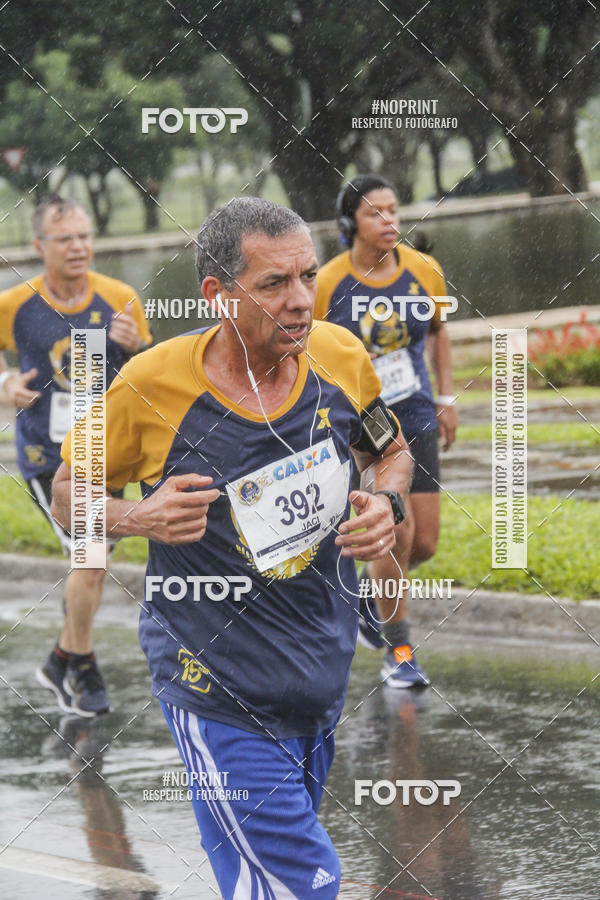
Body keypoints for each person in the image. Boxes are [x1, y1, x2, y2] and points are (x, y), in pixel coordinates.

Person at [52, 197, 413, 899]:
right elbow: (70, 493)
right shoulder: (151, 383)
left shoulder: (339, 356)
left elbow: (390, 449)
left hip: (317, 673)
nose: (302, 300)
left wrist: (387, 502)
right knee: (304, 885)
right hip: (214, 684)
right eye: (274, 284)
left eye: (308, 276)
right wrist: (139, 516)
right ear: (217, 296)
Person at [0, 194, 152, 717]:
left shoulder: (121, 298)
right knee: (91, 558)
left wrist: (133, 349)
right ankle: (82, 666)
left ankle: (60, 659)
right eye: (66, 238)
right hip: (49, 457)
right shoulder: (15, 304)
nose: (79, 247)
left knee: (91, 562)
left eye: (86, 236)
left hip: (104, 452)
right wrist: (4, 383)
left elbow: (151, 374)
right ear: (39, 246)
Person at [314, 174, 458, 688]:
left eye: (394, 209)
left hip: (415, 415)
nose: (390, 220)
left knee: (423, 543)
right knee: (394, 532)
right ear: (351, 221)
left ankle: (367, 603)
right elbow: (303, 346)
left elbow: (439, 336)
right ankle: (399, 652)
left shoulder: (424, 271)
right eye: (376, 212)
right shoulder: (328, 281)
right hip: (362, 425)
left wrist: (446, 398)